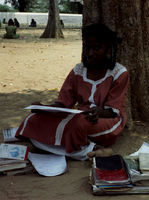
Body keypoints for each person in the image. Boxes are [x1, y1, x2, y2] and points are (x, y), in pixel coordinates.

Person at [14, 23, 129, 160]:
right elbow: (63, 104)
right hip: (81, 117)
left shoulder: (119, 73)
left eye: (96, 48)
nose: (90, 53)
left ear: (108, 49)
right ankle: (85, 149)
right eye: (87, 48)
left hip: (107, 119)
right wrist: (44, 109)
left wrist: (99, 112)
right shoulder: (78, 70)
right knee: (33, 119)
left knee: (78, 124)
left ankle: (84, 149)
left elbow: (113, 111)